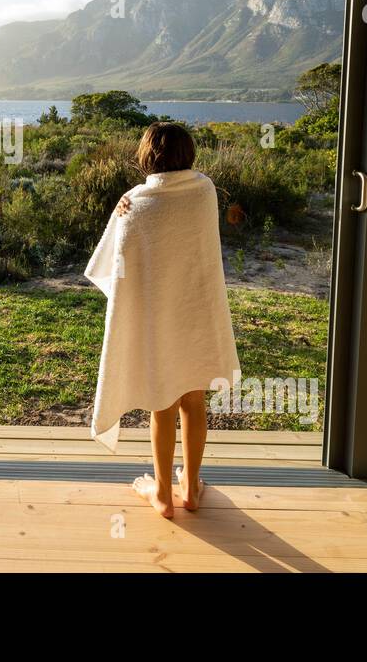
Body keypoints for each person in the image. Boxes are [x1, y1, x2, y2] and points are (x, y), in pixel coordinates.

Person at [84, 122, 240, 517]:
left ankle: (163, 496)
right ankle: (190, 488)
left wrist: (121, 208)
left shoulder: (134, 202)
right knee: (194, 400)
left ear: (147, 155)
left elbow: (115, 263)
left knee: (162, 404)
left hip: (159, 320)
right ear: (188, 154)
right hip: (196, 314)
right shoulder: (204, 191)